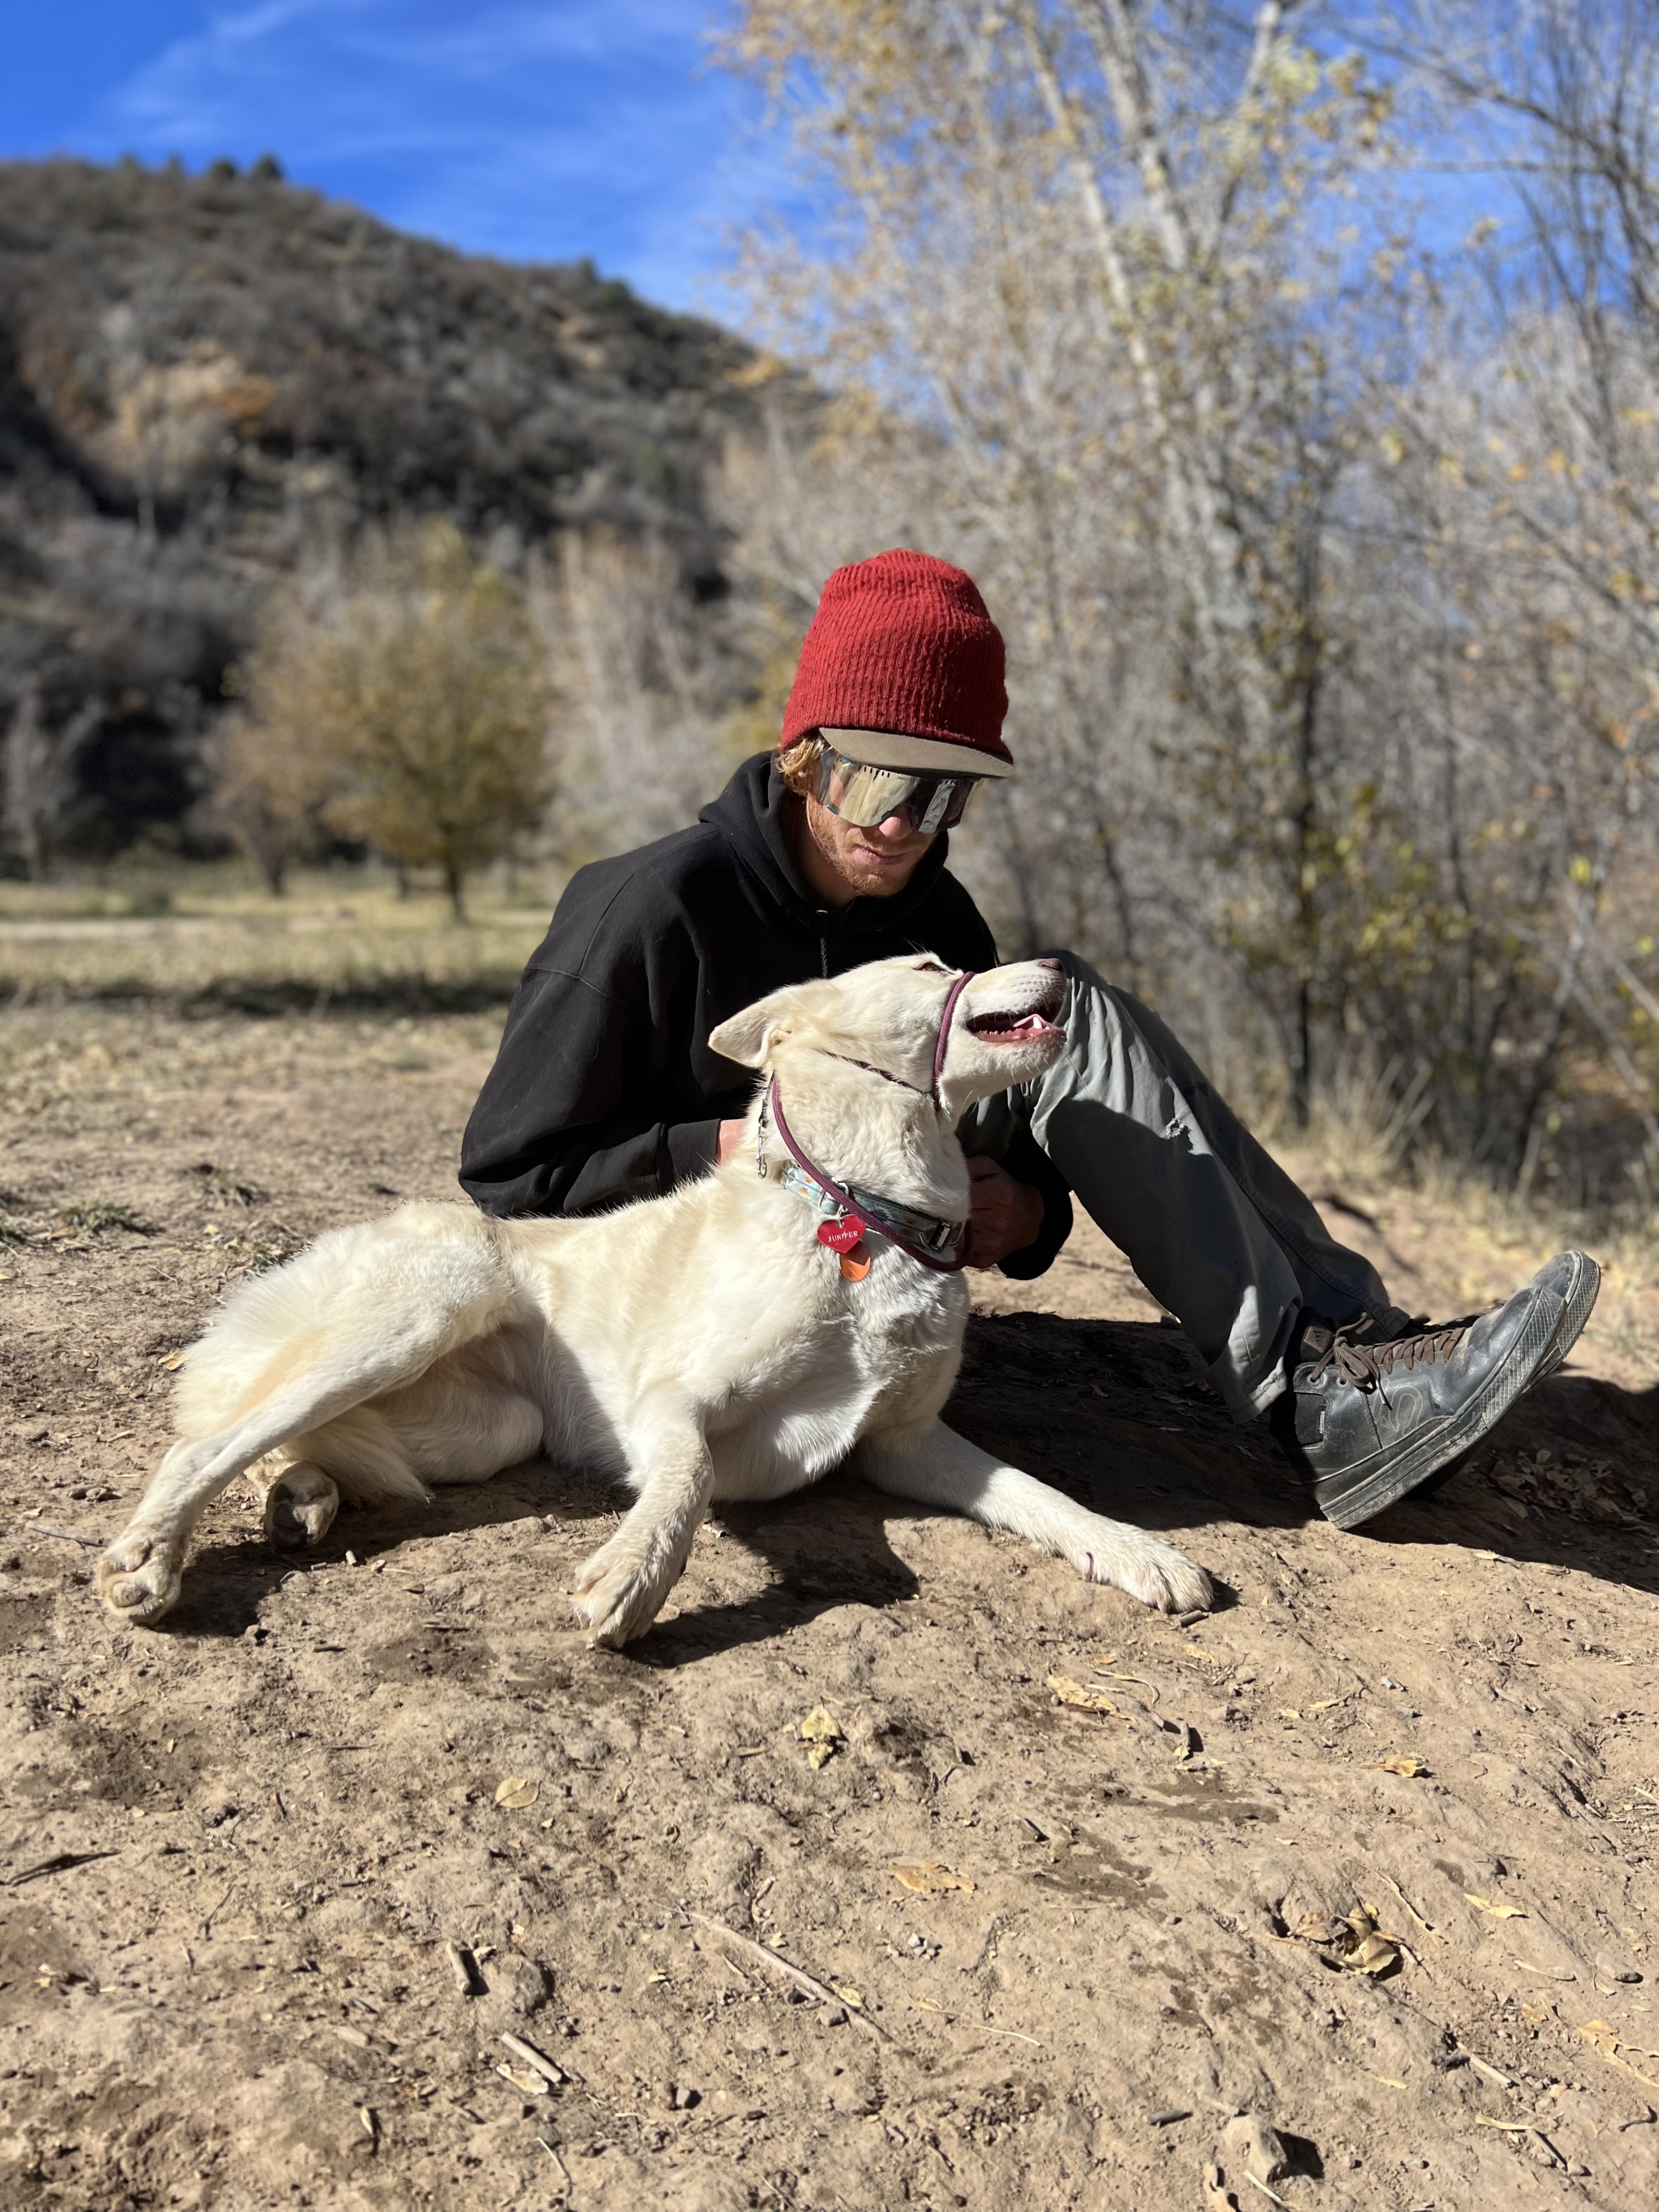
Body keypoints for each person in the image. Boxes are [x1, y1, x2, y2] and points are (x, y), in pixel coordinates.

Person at [461, 550, 1598, 1531]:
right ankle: (1329, 1377)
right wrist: (731, 1149)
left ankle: (1342, 1370)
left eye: (947, 794)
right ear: (808, 751)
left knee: (1073, 1007)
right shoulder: (647, 911)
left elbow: (1019, 1147)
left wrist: (1033, 1216)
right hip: (699, 1323)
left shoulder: (939, 921)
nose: (908, 826)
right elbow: (510, 1178)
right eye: (881, 781)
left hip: (868, 1301)